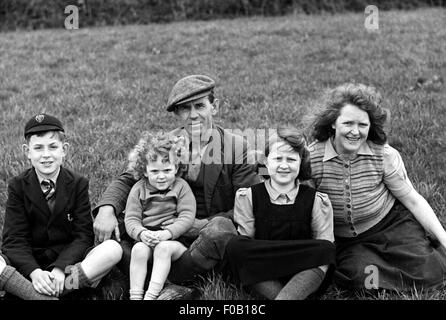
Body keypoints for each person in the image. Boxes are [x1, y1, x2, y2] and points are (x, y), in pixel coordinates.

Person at [93, 75, 260, 299]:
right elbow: (128, 178)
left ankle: (164, 280)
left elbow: (248, 205)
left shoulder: (237, 147)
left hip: (203, 234)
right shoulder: (168, 142)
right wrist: (107, 208)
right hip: (160, 231)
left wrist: (198, 224)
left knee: (220, 231)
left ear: (215, 107)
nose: (193, 115)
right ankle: (168, 285)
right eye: (184, 109)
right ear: (177, 114)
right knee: (118, 229)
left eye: (200, 106)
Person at [308, 83, 446, 290]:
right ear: (333, 123)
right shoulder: (312, 158)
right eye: (348, 123)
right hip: (347, 241)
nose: (355, 132)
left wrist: (444, 238)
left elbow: (413, 200)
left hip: (390, 225)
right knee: (357, 278)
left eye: (362, 125)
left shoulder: (383, 155)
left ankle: (425, 249)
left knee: (430, 270)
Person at [1, 113, 123, 299]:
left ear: (64, 149)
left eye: (53, 147)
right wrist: (34, 272)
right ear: (27, 152)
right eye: (38, 148)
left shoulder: (77, 183)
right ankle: (35, 293)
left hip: (66, 269)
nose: (46, 155)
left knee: (112, 250)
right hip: (29, 269)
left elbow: (83, 236)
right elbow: (13, 239)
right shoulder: (17, 185)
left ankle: (46, 292)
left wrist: (59, 269)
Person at [225, 128, 336, 300]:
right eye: (277, 159)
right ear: (266, 163)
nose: (284, 165)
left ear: (301, 163)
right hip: (263, 269)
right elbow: (248, 245)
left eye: (291, 159)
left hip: (303, 268)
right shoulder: (248, 196)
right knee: (236, 246)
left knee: (326, 248)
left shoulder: (316, 199)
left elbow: (321, 246)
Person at [125, 131, 197, 300]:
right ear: (144, 171)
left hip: (175, 242)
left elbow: (187, 216)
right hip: (147, 239)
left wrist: (168, 233)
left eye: (167, 170)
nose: (161, 176)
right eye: (155, 171)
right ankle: (135, 295)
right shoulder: (138, 189)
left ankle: (152, 295)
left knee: (163, 248)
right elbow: (131, 218)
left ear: (176, 168)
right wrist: (142, 233)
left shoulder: (181, 187)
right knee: (138, 249)